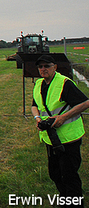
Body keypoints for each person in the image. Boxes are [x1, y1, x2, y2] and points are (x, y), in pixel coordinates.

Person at [31, 54, 89, 206]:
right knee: (55, 174)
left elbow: (85, 103)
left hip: (69, 138)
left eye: (47, 66)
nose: (43, 69)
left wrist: (63, 118)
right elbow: (34, 105)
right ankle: (65, 200)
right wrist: (37, 119)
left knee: (69, 176)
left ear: (54, 67)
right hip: (50, 138)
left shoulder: (64, 83)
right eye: (40, 66)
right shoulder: (38, 84)